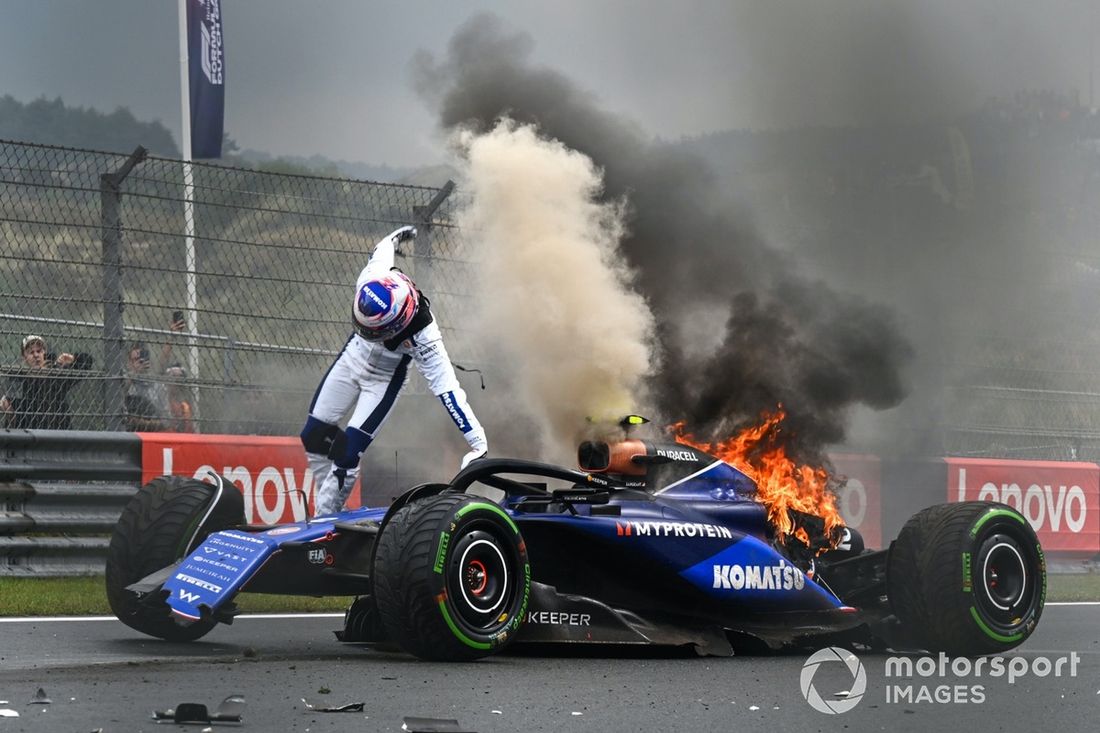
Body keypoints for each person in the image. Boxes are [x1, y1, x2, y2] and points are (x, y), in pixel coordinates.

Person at [302, 226, 489, 516]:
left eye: (374, 331)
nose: (367, 332)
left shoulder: (425, 335)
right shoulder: (373, 275)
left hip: (384, 381)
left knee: (349, 454)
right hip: (352, 357)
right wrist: (397, 236)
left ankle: (321, 520)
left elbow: (448, 389)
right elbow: (384, 245)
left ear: (399, 324)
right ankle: (327, 512)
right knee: (312, 435)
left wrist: (478, 442)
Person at [0, 334, 94, 429]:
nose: (36, 355)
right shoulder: (19, 378)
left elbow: (87, 361)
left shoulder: (56, 373)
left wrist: (73, 358)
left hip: (59, 429)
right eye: (31, 352)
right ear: (24, 357)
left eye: (39, 351)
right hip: (32, 429)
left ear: (44, 353)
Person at [124, 341, 171, 431]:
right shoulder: (127, 384)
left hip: (154, 433)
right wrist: (134, 373)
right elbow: (118, 398)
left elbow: (166, 420)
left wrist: (144, 423)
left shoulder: (157, 386)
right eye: (136, 359)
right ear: (129, 363)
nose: (140, 362)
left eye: (142, 358)